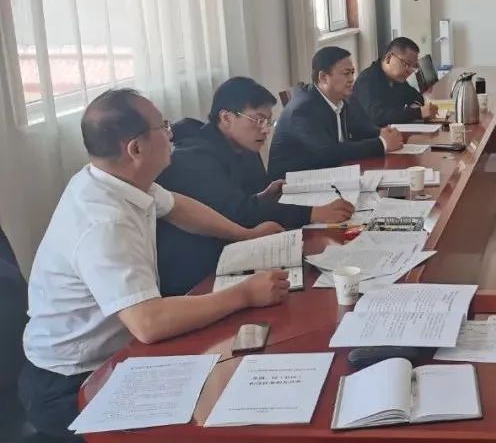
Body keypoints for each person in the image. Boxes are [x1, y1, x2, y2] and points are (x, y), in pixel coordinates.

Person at [20, 89, 290, 442]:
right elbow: (149, 323)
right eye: (162, 127)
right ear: (135, 149)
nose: (171, 132)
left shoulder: (115, 179)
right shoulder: (103, 222)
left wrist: (245, 235)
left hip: (120, 352)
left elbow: (177, 207)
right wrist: (245, 294)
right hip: (72, 384)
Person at [156, 77, 355, 296]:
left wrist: (262, 197)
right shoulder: (194, 157)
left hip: (234, 250)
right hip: (198, 277)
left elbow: (240, 202)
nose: (266, 130)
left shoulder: (243, 146)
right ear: (226, 117)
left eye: (268, 121)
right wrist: (313, 213)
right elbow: (239, 213)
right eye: (258, 120)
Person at [268, 46, 403, 179]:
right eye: (346, 73)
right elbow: (328, 152)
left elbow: (361, 128)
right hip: (293, 183)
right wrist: (382, 143)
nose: (351, 79)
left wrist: (384, 133)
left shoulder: (343, 100)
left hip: (330, 174)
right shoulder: (303, 110)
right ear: (323, 77)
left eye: (352, 73)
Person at [351, 37, 438, 127]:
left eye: (413, 66)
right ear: (388, 58)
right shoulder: (367, 80)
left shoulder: (397, 79)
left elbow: (417, 98)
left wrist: (418, 110)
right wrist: (417, 113)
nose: (410, 71)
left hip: (394, 131)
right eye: (406, 64)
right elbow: (376, 116)